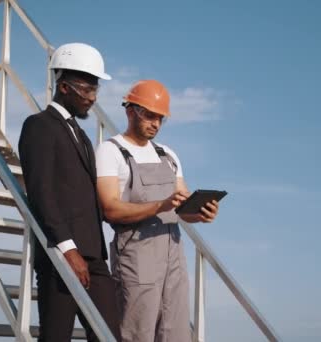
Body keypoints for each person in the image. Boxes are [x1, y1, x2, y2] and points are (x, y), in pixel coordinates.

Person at [95, 80, 220, 342]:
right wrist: (159, 206)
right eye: (150, 116)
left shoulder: (168, 155)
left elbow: (181, 209)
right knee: (137, 332)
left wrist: (201, 214)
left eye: (160, 118)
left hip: (172, 253)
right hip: (136, 253)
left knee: (176, 332)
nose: (156, 124)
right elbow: (110, 209)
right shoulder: (111, 151)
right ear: (131, 110)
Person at [18, 42, 119, 341]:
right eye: (86, 90)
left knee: (108, 335)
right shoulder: (39, 126)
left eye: (95, 90)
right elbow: (41, 192)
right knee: (56, 336)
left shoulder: (83, 136)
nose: (92, 98)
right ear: (64, 87)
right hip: (62, 254)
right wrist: (68, 248)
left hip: (94, 255)